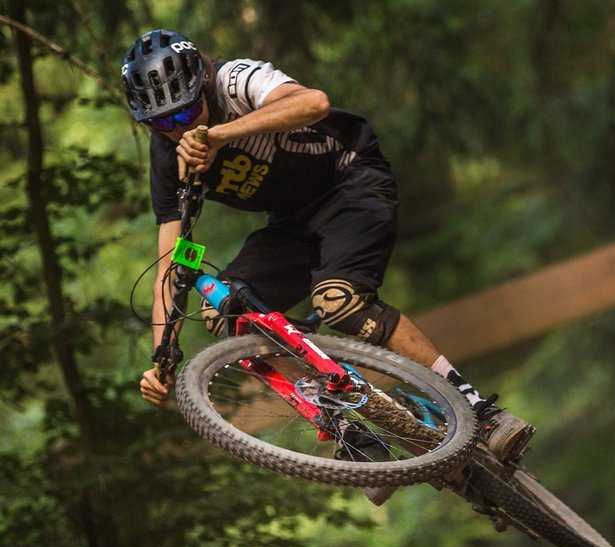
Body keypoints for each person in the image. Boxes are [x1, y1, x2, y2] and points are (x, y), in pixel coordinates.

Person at [123, 29, 534, 475]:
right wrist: (162, 357)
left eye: (185, 111)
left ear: (203, 85)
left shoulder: (236, 80)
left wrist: (220, 133)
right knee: (225, 313)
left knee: (340, 301)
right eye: (162, 122)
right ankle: (351, 432)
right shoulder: (168, 158)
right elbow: (172, 258)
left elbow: (312, 103)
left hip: (351, 182)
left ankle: (481, 414)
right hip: (291, 221)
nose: (178, 128)